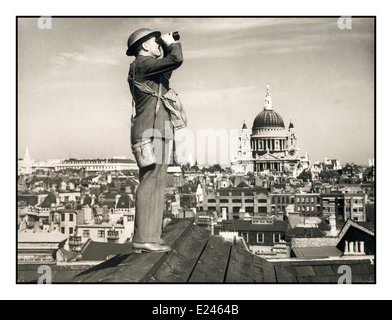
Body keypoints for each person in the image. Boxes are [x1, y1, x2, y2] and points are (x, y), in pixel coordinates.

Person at [126, 28, 183, 253]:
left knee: (158, 183)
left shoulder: (150, 69)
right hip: (150, 132)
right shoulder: (141, 65)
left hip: (160, 130)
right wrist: (170, 45)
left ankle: (152, 237)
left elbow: (168, 68)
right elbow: (176, 59)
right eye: (155, 41)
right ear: (144, 46)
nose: (159, 44)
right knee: (150, 182)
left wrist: (166, 47)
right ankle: (143, 238)